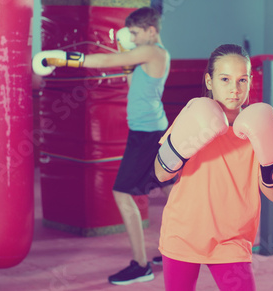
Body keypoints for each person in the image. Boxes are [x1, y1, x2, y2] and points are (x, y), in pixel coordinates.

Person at [33, 7, 171, 285]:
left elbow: (107, 60)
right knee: (169, 190)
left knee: (122, 193)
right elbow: (132, 82)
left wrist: (65, 59)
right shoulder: (146, 55)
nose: (131, 37)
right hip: (148, 131)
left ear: (151, 31)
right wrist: (125, 53)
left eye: (134, 33)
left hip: (147, 134)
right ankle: (174, 251)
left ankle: (141, 265)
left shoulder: (154, 52)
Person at [154, 44, 273, 291]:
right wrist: (183, 145)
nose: (234, 90)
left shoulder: (258, 127)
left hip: (232, 239)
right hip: (183, 232)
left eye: (242, 80)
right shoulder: (194, 116)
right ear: (209, 80)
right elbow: (161, 173)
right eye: (225, 79)